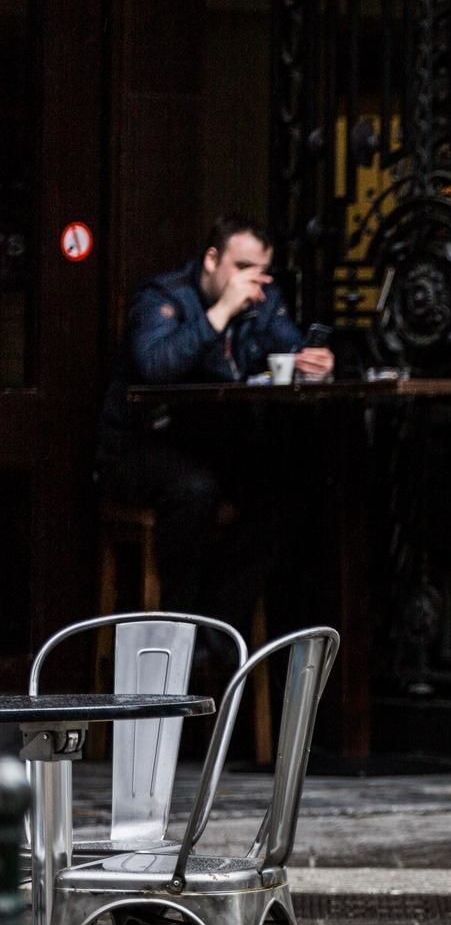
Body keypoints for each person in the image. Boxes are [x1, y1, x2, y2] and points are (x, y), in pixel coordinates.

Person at [95, 215, 335, 626]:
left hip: (208, 444)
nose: (252, 284)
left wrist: (313, 364)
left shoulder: (264, 300)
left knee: (287, 489)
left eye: (260, 274)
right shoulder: (163, 297)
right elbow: (156, 365)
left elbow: (289, 347)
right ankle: (178, 632)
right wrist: (220, 313)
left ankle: (215, 633)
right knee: (195, 491)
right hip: (139, 446)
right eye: (241, 269)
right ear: (212, 260)